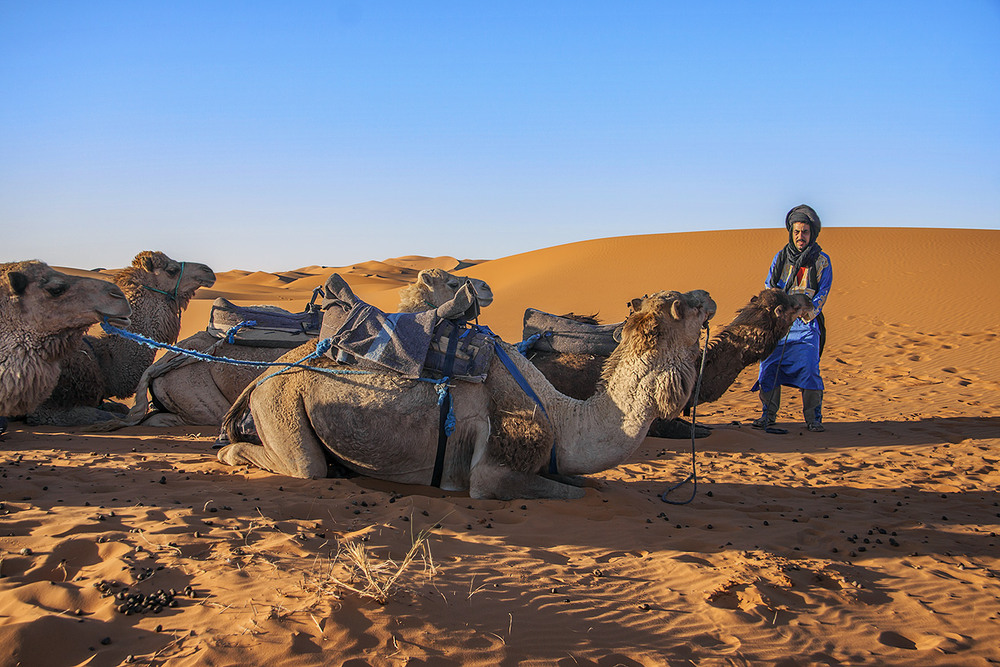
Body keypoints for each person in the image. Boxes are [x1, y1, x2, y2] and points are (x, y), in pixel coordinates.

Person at [751, 204, 832, 432]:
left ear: (812, 233)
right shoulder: (780, 258)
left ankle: (813, 419)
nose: (800, 236)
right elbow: (769, 286)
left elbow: (822, 294)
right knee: (768, 367)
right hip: (779, 324)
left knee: (809, 368)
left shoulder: (822, 261)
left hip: (806, 325)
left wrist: (805, 312)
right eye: (796, 232)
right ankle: (768, 415)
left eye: (805, 232)